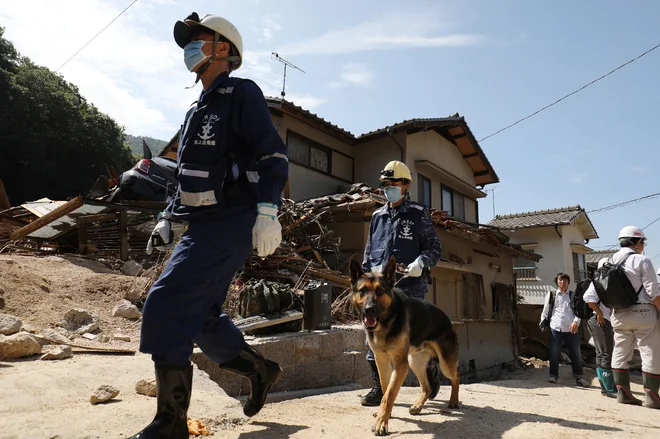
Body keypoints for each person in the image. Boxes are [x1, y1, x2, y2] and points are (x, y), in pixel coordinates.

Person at [129, 12, 289, 438]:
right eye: (189, 43)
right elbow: (188, 178)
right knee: (201, 317)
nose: (190, 49)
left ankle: (171, 423)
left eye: (199, 40)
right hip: (202, 223)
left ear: (224, 49)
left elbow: (272, 155)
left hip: (231, 220)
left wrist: (268, 211)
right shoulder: (196, 110)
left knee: (165, 302)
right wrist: (168, 217)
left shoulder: (241, 93)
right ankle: (261, 369)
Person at [360, 160, 443, 406]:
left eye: (393, 183)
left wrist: (422, 262)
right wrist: (368, 273)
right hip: (381, 292)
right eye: (385, 184)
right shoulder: (377, 216)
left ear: (406, 185)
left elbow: (434, 248)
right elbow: (368, 252)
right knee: (373, 341)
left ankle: (430, 374)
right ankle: (379, 388)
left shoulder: (418, 213)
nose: (388, 188)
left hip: (411, 289)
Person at [605, 226, 660, 408]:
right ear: (636, 242)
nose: (643, 245)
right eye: (643, 241)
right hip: (643, 313)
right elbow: (653, 292)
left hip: (619, 314)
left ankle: (624, 394)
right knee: (649, 351)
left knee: (620, 351)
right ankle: (652, 397)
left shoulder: (608, 261)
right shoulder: (641, 260)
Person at [539, 273, 591, 387]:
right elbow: (545, 310)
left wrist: (576, 323)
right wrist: (542, 323)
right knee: (554, 353)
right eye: (560, 280)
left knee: (576, 354)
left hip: (571, 329)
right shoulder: (551, 295)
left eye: (565, 280)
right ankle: (553, 375)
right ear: (557, 282)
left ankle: (579, 377)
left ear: (568, 282)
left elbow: (578, 312)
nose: (563, 282)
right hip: (555, 327)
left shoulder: (573, 295)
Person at [583, 258, 616, 397]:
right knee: (606, 352)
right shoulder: (598, 282)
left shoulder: (604, 283)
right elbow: (588, 298)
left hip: (600, 320)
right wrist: (600, 313)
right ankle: (608, 388)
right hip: (599, 321)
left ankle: (605, 385)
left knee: (601, 352)